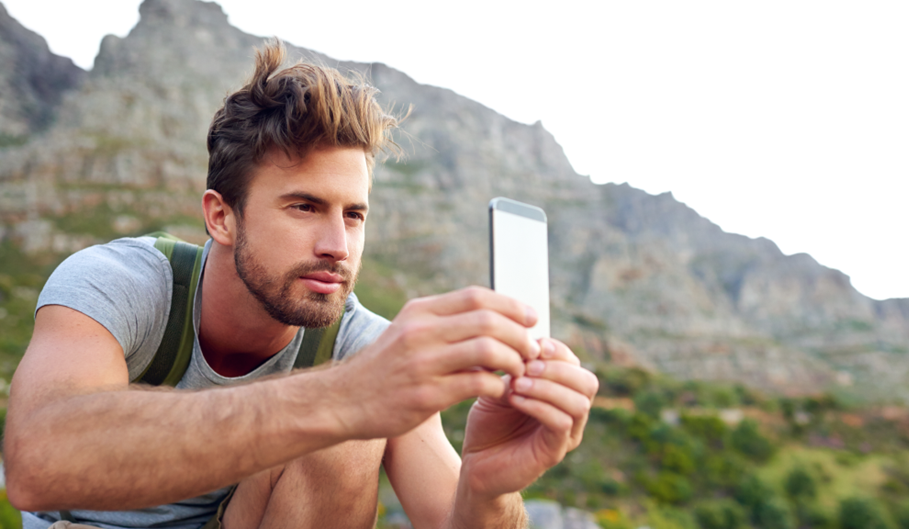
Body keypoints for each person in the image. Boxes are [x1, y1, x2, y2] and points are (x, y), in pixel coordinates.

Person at [4, 40, 598, 529]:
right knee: (345, 408)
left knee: (345, 434)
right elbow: (35, 464)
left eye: (354, 215)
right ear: (222, 217)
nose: (337, 245)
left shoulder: (362, 345)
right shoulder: (121, 285)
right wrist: (347, 397)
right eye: (304, 207)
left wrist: (489, 487)